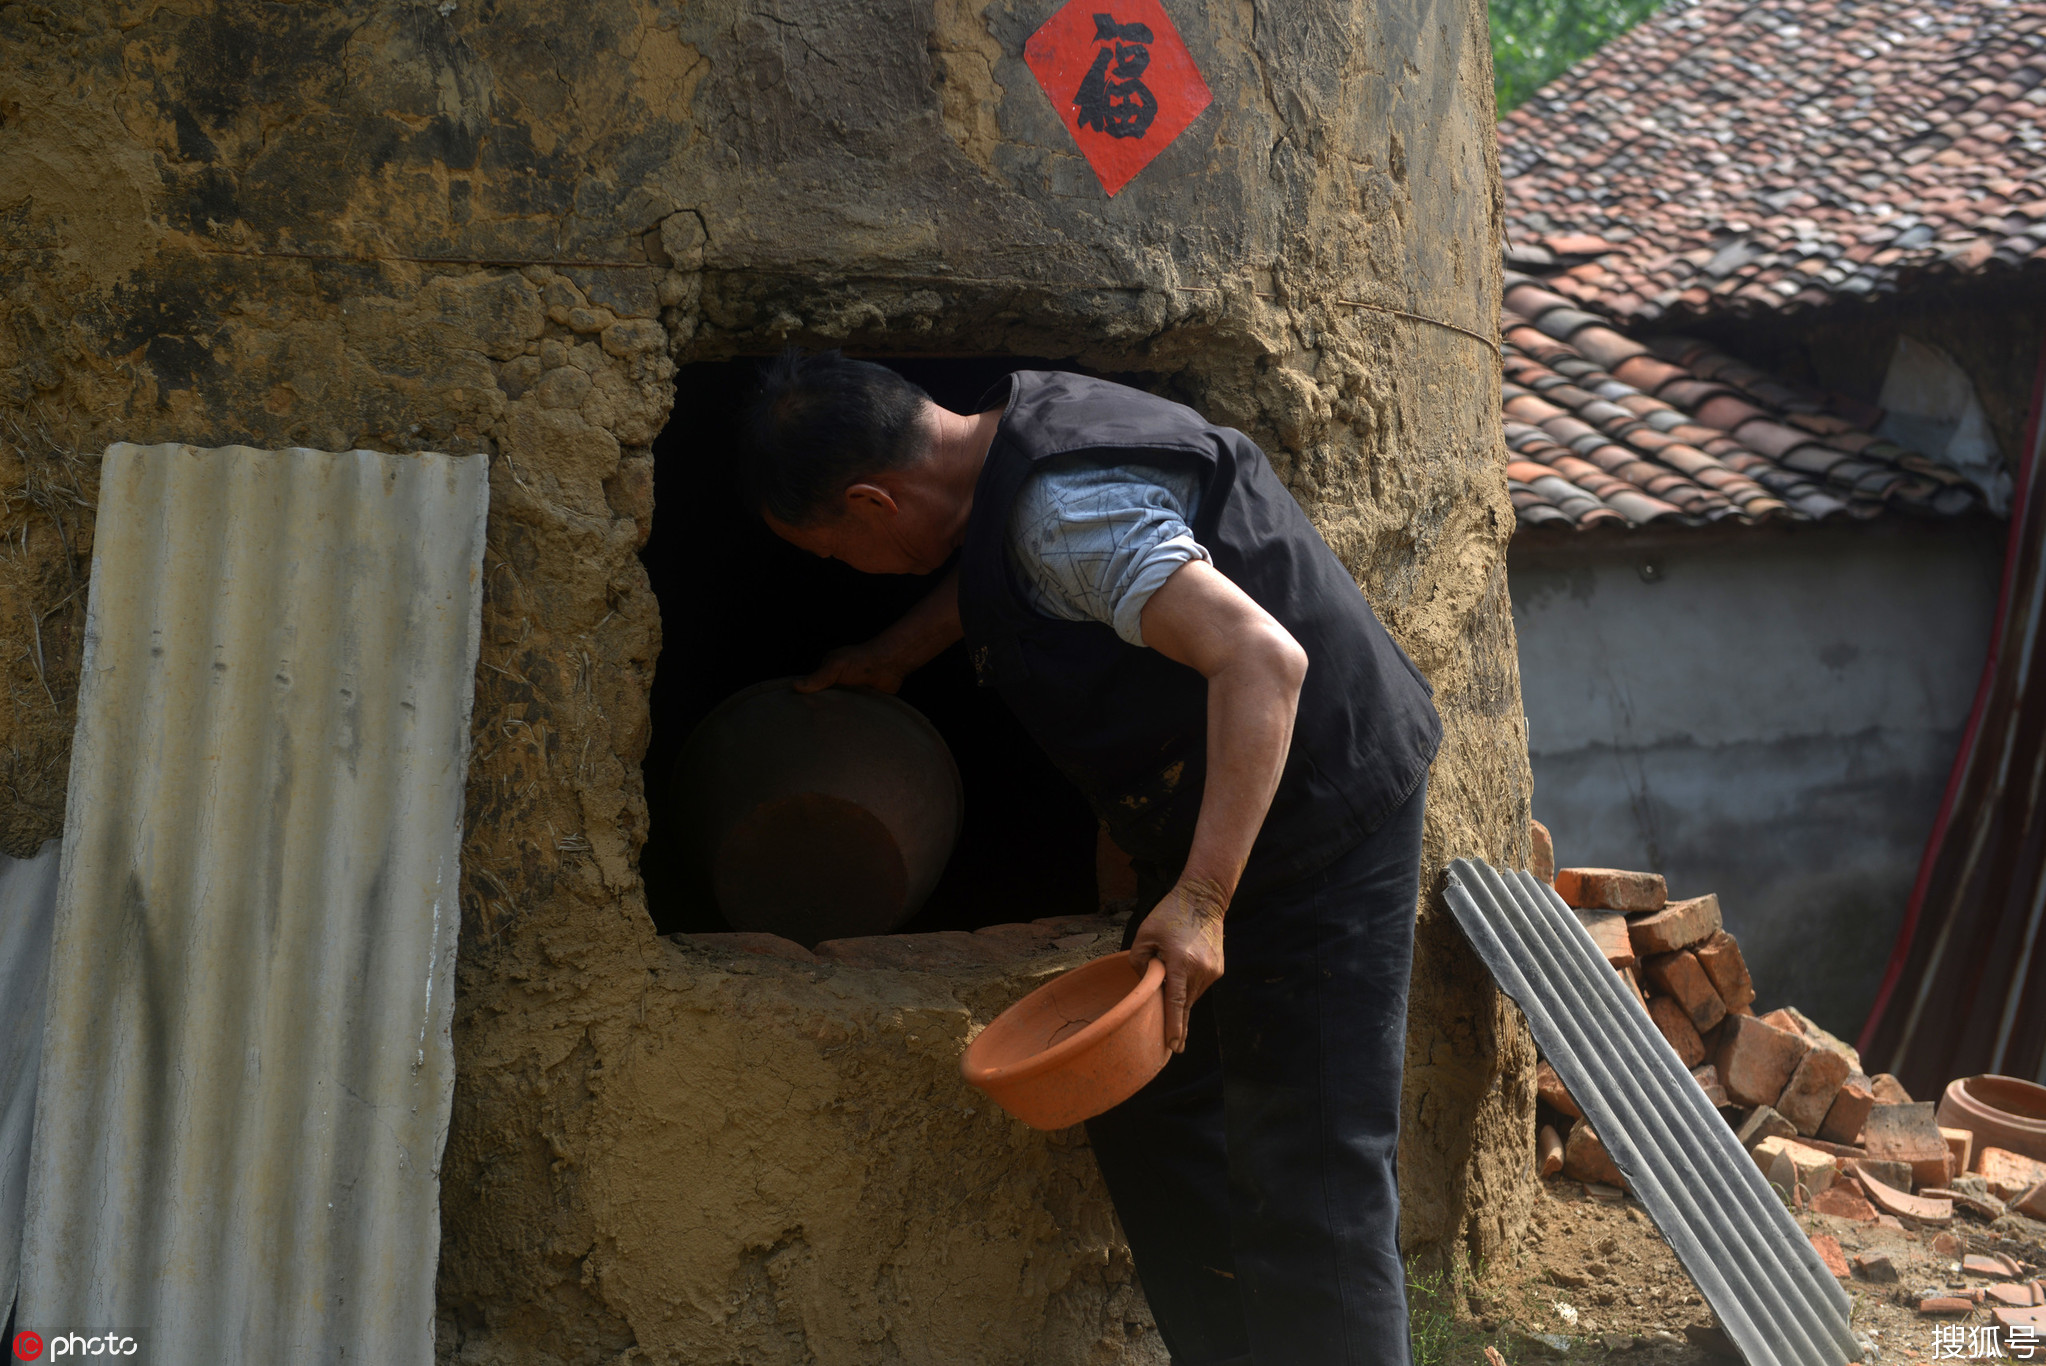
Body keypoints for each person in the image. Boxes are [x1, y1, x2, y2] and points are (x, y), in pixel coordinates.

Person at [740, 350, 1442, 1365]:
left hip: (1322, 802)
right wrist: (895, 653)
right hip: (1231, 794)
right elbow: (1011, 579)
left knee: (1314, 1174)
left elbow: (1262, 659)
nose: (847, 571)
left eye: (838, 552)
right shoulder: (1015, 445)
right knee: (1155, 1104)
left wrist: (1201, 899)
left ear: (872, 499)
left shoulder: (1059, 514)